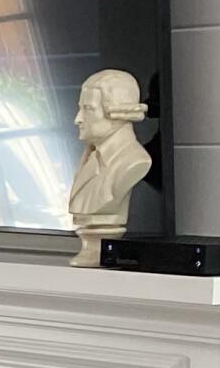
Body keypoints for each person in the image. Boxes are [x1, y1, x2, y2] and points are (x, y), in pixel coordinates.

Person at [66, 68, 154, 266]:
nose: (78, 118)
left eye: (88, 109)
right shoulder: (89, 157)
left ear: (117, 112)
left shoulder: (135, 162)